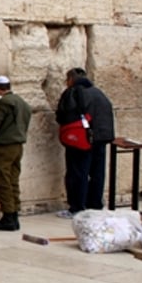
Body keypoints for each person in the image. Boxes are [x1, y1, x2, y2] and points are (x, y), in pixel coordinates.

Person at [55, 67, 115, 217]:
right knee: (97, 173)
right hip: (101, 138)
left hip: (81, 139)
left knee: (77, 173)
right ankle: (94, 205)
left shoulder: (74, 92)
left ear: (70, 79)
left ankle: (77, 207)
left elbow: (63, 116)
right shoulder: (99, 93)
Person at [0, 75, 32, 231]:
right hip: (18, 146)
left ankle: (8, 215)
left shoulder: (3, 103)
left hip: (4, 146)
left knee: (1, 180)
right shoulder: (22, 103)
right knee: (12, 180)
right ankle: (14, 214)